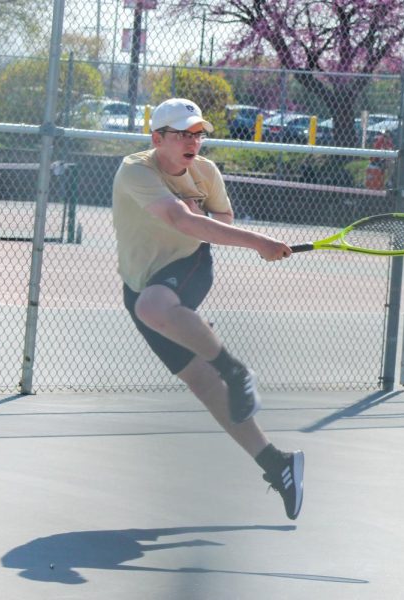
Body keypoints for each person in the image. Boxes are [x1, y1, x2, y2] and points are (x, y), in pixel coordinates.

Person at [111, 98, 304, 520]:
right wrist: (260, 242)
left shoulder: (207, 172)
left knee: (155, 306)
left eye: (198, 134)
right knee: (202, 383)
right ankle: (277, 464)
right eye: (182, 134)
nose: (193, 142)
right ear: (157, 138)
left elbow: (222, 220)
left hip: (189, 266)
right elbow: (180, 219)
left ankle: (236, 371)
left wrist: (237, 233)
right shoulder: (136, 170)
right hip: (139, 283)